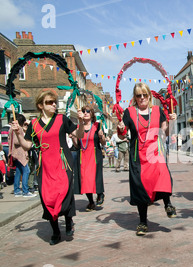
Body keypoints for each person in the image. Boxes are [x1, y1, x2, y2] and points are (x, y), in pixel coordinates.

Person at [11, 90, 85, 245]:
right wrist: (18, 133)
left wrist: (81, 122)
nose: (53, 105)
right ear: (40, 105)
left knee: (64, 192)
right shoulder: (34, 124)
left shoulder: (62, 119)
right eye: (49, 102)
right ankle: (56, 231)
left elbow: (78, 135)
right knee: (47, 197)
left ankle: (68, 219)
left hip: (63, 163)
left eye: (54, 102)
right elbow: (26, 146)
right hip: (45, 166)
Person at [117, 83, 177, 236]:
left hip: (156, 151)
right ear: (135, 97)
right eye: (138, 95)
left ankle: (168, 204)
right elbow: (122, 135)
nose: (142, 98)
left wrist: (172, 122)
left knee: (163, 176)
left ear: (149, 95)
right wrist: (120, 128)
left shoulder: (157, 111)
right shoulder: (129, 112)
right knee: (140, 187)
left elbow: (166, 132)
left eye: (144, 94)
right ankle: (143, 222)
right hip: (138, 154)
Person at [72, 105, 106, 211]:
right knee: (85, 179)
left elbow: (103, 143)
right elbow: (77, 145)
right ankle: (91, 202)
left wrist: (101, 136)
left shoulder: (97, 125)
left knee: (95, 176)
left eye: (87, 111)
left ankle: (100, 194)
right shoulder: (78, 127)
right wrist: (73, 138)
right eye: (83, 111)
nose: (85, 113)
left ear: (91, 114)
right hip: (83, 156)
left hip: (95, 154)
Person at [8, 114, 36, 198]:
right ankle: (25, 191)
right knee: (26, 171)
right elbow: (17, 141)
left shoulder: (11, 129)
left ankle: (17, 190)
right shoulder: (16, 129)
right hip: (19, 153)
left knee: (18, 171)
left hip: (15, 153)